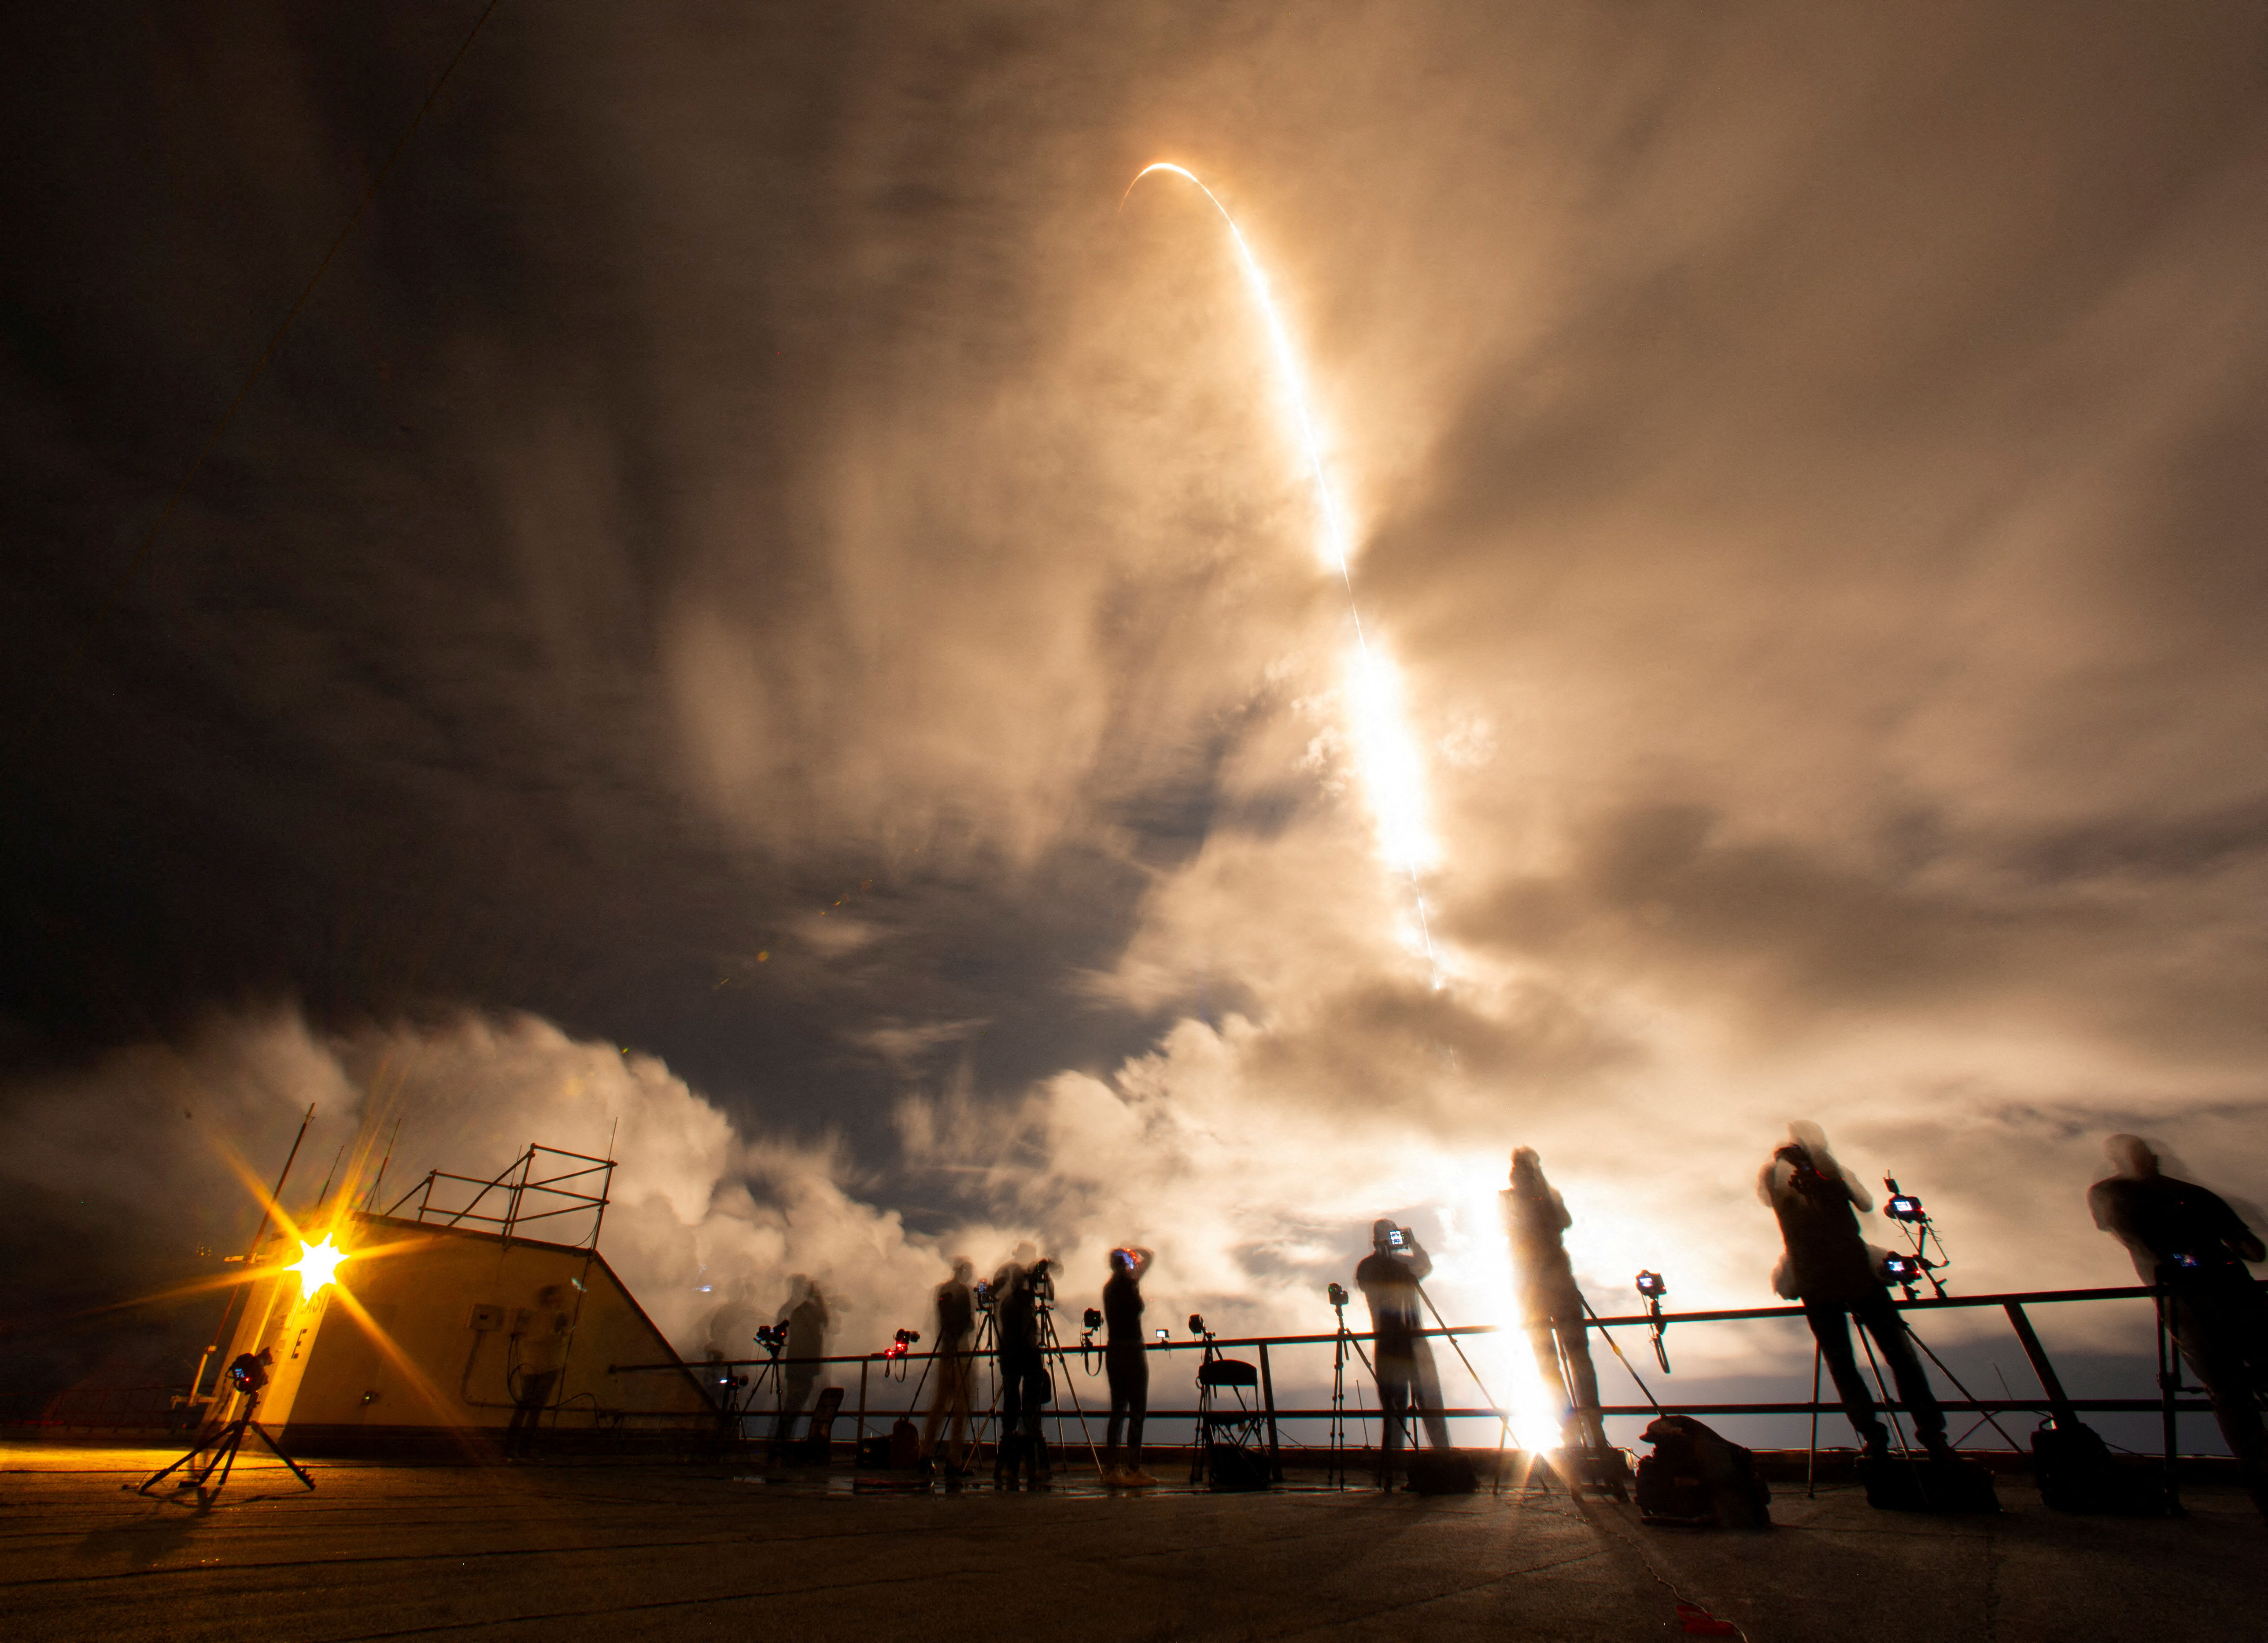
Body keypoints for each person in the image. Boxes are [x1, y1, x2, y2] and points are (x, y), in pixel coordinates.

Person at [2088, 1134, 2268, 1512]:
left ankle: (2264, 1490)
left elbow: (2140, 1244)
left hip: (2195, 1300)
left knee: (2230, 1395)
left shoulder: (2115, 1193)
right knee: (2232, 1392)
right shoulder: (2182, 1194)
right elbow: (2249, 1248)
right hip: (2213, 1298)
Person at [1760, 1123, 1950, 1463]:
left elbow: (1859, 1203)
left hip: (1834, 1279)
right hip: (1836, 1278)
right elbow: (1861, 1207)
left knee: (1862, 1361)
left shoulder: (1823, 1182)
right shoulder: (1790, 1189)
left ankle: (1895, 1435)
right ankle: (1918, 1434)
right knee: (1885, 1358)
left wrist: (1826, 1183)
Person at [1502, 1149, 1610, 1457]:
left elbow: (1564, 1221)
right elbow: (1512, 1230)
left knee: (1575, 1356)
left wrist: (1542, 1190)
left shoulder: (1548, 1195)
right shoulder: (1509, 1200)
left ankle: (1590, 1425)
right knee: (1554, 1361)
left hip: (1552, 1283)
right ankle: (1572, 1427)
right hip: (1534, 1286)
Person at [1355, 1218, 1452, 1485]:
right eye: (1391, 1236)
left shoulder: (1399, 1265)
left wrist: (1413, 1246)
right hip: (1392, 1343)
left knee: (1431, 1405)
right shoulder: (1371, 1267)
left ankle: (1447, 1464)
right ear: (1378, 1240)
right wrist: (1403, 1253)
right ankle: (1391, 1473)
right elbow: (1379, 1280)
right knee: (1395, 1411)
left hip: (1411, 1341)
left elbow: (1425, 1267)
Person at [993, 1247, 1052, 1488]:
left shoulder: (1006, 1303)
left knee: (1010, 1413)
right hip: (1027, 1359)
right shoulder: (1024, 1307)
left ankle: (1008, 1468)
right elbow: (1049, 1297)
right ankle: (1035, 1467)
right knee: (1030, 1413)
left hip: (1009, 1361)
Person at [1101, 1247, 1157, 1487]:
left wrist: (1130, 1254)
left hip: (1114, 1350)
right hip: (1132, 1350)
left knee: (1117, 1412)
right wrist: (1136, 1251)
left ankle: (1111, 1469)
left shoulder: (1109, 1287)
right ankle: (1133, 1469)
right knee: (1137, 1412)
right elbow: (1137, 1308)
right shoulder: (1128, 1285)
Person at [920, 1257, 977, 1475]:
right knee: (961, 1408)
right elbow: (969, 1324)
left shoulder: (941, 1290)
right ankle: (954, 1460)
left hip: (944, 1353)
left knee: (939, 1406)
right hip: (961, 1354)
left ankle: (926, 1454)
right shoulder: (965, 1292)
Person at [504, 1283, 571, 1458]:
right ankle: (516, 1448)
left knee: (532, 1408)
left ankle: (520, 1448)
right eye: (553, 1296)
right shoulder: (542, 1317)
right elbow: (541, 1338)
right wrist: (557, 1336)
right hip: (539, 1364)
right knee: (529, 1407)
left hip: (543, 1365)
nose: (556, 1299)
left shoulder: (552, 1316)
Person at [771, 1275, 830, 1457]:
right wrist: (818, 1295)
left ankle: (781, 1446)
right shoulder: (804, 1311)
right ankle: (785, 1447)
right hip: (805, 1368)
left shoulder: (792, 1310)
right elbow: (825, 1319)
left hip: (798, 1367)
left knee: (792, 1409)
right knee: (796, 1409)